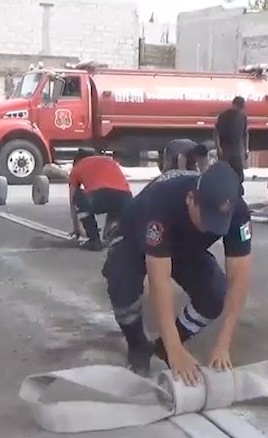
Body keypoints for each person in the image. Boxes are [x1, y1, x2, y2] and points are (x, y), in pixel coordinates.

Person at [102, 162, 252, 385]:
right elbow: (159, 280)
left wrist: (223, 344)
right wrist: (176, 350)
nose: (210, 228)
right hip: (135, 237)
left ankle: (162, 347)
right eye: (207, 219)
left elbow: (239, 277)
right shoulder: (162, 203)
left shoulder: (237, 211)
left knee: (214, 295)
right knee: (121, 281)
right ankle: (138, 345)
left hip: (184, 246)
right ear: (191, 199)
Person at [68, 151, 133, 251]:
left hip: (100, 196)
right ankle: (113, 232)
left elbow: (73, 200)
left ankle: (94, 240)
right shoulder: (110, 161)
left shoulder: (77, 167)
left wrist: (76, 228)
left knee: (78, 197)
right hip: (125, 197)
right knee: (115, 204)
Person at [214, 96, 248, 193]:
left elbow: (244, 135)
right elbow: (216, 133)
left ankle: (236, 192)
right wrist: (219, 147)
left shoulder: (242, 117)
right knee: (225, 173)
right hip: (226, 150)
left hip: (234, 151)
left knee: (238, 174)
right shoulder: (224, 116)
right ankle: (226, 191)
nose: (240, 109)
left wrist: (245, 150)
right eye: (240, 106)